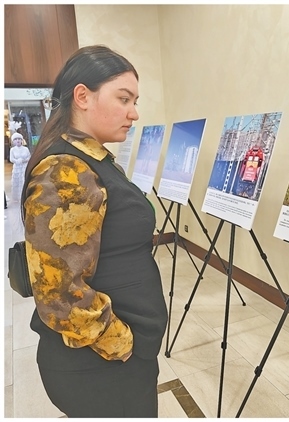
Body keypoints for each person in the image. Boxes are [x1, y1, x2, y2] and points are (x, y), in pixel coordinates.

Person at [21, 45, 168, 417]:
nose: (134, 113)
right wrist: (121, 343)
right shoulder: (66, 170)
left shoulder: (90, 158)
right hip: (99, 365)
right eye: (124, 99)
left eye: (135, 101)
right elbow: (58, 293)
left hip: (110, 361)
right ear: (83, 96)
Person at [9, 132, 31, 201]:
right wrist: (17, 161)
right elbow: (11, 159)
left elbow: (29, 157)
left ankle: (25, 195)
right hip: (17, 168)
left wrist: (23, 160)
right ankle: (18, 197)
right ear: (13, 141)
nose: (18, 140)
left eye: (19, 139)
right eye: (15, 139)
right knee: (17, 182)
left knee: (24, 180)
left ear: (22, 140)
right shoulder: (12, 149)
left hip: (24, 167)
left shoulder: (26, 149)